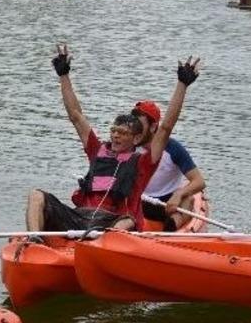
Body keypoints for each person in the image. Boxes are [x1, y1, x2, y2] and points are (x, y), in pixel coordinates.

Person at [25, 44, 200, 232]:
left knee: (127, 222)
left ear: (136, 139)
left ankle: (105, 248)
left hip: (116, 223)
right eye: (114, 131)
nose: (116, 135)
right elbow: (76, 116)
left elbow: (166, 128)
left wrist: (182, 84)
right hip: (83, 217)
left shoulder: (143, 162)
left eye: (123, 133)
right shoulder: (97, 150)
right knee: (37, 196)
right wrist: (63, 75)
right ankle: (33, 240)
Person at [132, 100, 206, 231]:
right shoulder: (129, 147)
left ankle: (170, 230)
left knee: (188, 199)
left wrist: (179, 194)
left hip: (167, 203)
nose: (134, 130)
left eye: (139, 126)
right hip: (138, 201)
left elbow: (199, 181)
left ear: (153, 127)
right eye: (132, 124)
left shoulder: (173, 148)